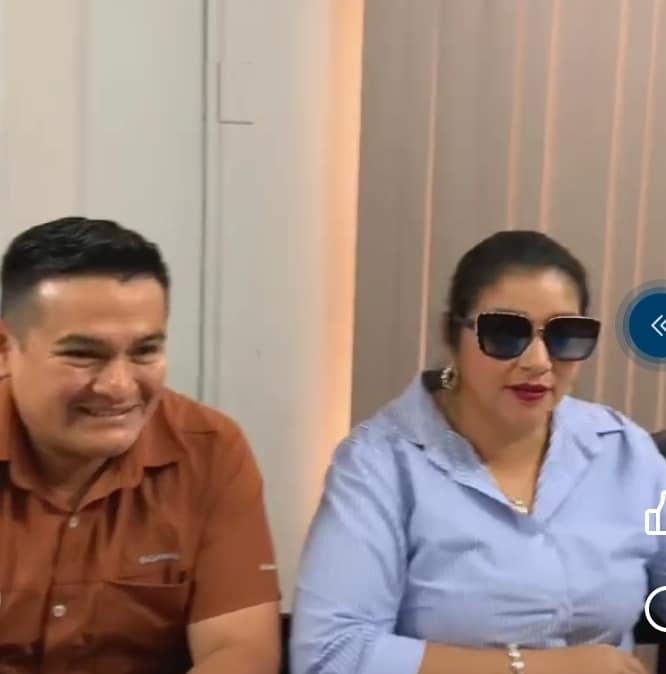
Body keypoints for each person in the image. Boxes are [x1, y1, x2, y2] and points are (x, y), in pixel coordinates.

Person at [291, 230, 666, 674]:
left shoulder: (624, 451)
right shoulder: (380, 465)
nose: (538, 361)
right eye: (505, 333)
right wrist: (538, 668)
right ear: (452, 334)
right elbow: (331, 654)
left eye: (565, 335)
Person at [0, 217, 281, 674]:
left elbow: (239, 650)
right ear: (6, 349)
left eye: (145, 351)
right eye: (83, 354)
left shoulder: (210, 450)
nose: (119, 386)